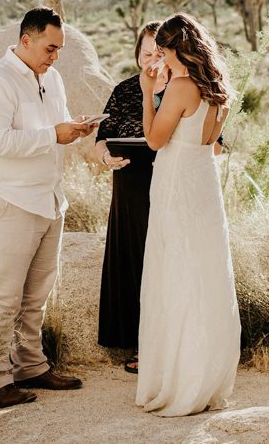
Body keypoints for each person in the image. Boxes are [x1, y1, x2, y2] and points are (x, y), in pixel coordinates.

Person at [0, 7, 97, 408]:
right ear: (25, 40)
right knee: (3, 296)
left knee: (36, 296)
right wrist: (53, 134)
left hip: (48, 200)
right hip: (11, 200)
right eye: (49, 47)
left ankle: (31, 365)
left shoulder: (54, 78)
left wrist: (73, 129)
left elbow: (54, 130)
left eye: (59, 49)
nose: (54, 56)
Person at [136, 13, 241, 417]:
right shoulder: (218, 88)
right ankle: (206, 378)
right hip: (203, 182)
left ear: (174, 48)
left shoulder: (180, 87)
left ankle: (178, 381)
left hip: (177, 180)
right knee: (206, 272)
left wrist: (149, 93)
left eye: (161, 50)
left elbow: (155, 140)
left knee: (174, 272)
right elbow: (210, 141)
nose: (158, 58)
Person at [94, 21, 167, 371]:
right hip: (128, 187)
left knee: (165, 260)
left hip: (167, 184)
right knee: (134, 261)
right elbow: (101, 138)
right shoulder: (123, 90)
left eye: (159, 52)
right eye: (146, 52)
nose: (151, 59)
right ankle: (139, 345)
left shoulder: (183, 89)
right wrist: (104, 157)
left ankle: (168, 342)